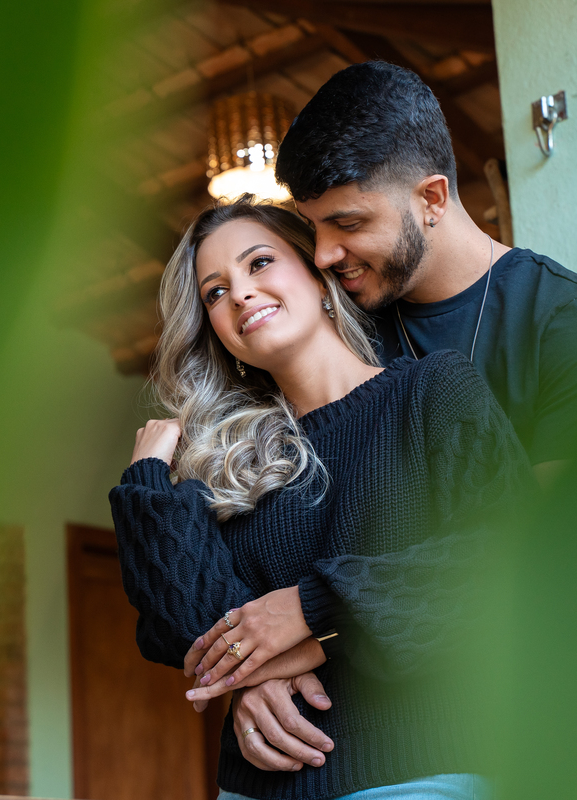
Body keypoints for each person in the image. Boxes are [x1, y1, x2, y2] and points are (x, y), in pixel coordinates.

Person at [109, 196, 532, 799]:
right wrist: (147, 478)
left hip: (417, 770)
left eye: (259, 263)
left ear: (318, 274)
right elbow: (180, 628)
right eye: (215, 292)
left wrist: (310, 609)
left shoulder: (433, 391)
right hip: (255, 787)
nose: (240, 294)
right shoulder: (230, 463)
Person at [275, 61, 577, 486]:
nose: (322, 256)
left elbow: (563, 520)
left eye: (349, 224)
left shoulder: (570, 319)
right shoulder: (338, 321)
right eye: (313, 226)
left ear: (433, 198)